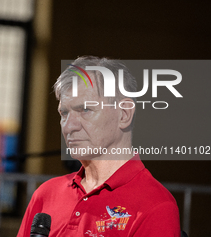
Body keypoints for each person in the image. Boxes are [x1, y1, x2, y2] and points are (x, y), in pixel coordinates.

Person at [17, 56, 180, 236]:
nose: (69, 126)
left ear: (124, 114)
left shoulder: (155, 205)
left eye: (85, 110)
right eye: (64, 113)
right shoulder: (46, 194)